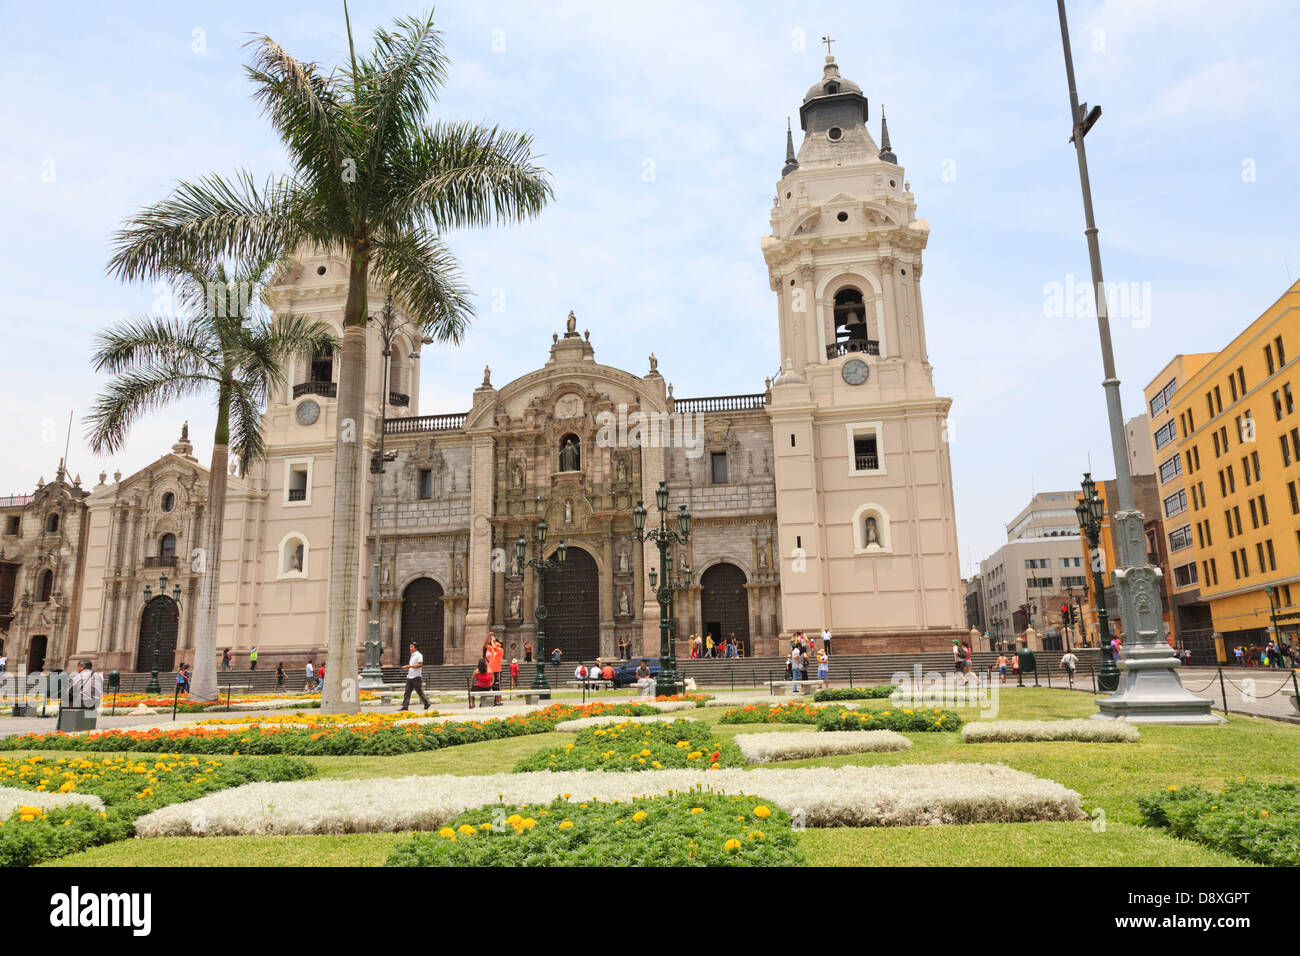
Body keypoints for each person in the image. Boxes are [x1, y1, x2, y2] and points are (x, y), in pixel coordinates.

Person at [401, 641, 431, 711]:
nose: (410, 648)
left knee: (419, 691)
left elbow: (420, 664)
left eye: (411, 647)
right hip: (410, 676)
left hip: (416, 677)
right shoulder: (412, 655)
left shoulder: (419, 655)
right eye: (410, 647)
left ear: (416, 648)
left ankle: (426, 703)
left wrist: (410, 666)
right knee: (407, 692)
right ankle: (405, 707)